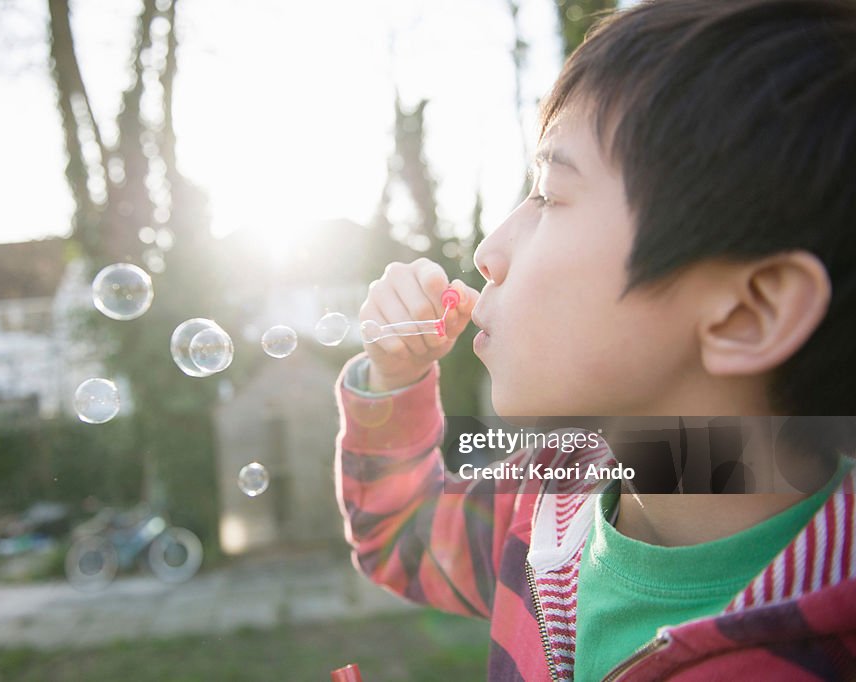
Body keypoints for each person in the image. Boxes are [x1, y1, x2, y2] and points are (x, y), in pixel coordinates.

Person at [334, 0, 856, 679]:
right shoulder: (549, 498)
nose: (489, 251)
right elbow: (402, 536)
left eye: (549, 194)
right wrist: (395, 381)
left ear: (746, 313)